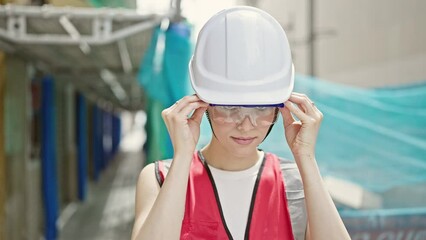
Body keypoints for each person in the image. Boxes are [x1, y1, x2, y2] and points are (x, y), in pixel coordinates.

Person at [131, 6, 351, 240]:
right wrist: (183, 155)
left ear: (280, 108)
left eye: (262, 108)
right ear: (204, 104)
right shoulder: (160, 178)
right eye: (229, 108)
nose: (246, 125)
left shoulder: (297, 183)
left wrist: (306, 157)